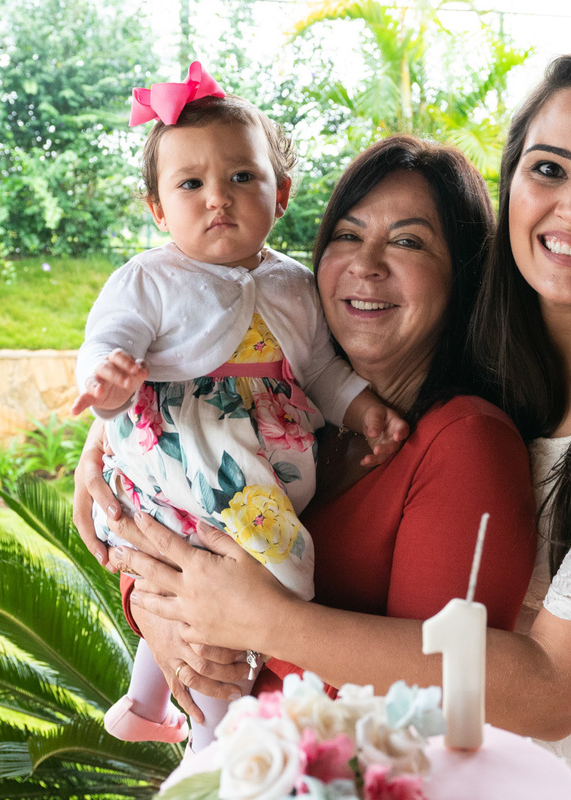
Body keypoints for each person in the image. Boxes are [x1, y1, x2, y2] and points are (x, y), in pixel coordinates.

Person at [100, 51, 571, 799]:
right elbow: (195, 513)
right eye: (548, 169)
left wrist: (253, 621)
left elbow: (546, 695)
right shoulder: (332, 408)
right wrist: (147, 560)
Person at [73, 134, 538, 747]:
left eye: (408, 241)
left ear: (464, 274)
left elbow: (450, 701)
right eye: (347, 235)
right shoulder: (296, 416)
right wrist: (155, 608)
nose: (366, 265)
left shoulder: (466, 443)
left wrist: (257, 624)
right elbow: (184, 542)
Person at [71, 60, 405, 750]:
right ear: (158, 210)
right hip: (190, 452)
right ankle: (211, 739)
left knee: (201, 581)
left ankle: (144, 701)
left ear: (280, 195)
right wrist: (109, 381)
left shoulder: (296, 285)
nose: (217, 198)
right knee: (258, 577)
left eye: (242, 177)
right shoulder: (149, 278)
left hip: (258, 456)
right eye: (190, 184)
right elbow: (109, 340)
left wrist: (360, 407)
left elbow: (318, 369)